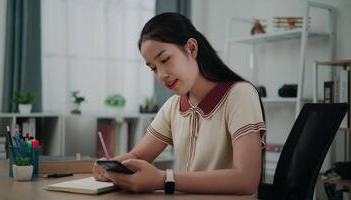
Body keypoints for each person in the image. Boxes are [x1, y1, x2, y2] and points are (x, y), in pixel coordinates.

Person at [92, 12, 266, 194]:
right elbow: (137, 156)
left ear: (191, 48)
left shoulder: (239, 95)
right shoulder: (173, 106)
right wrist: (112, 168)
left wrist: (164, 179)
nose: (161, 75)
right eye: (153, 68)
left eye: (165, 60)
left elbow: (246, 179)